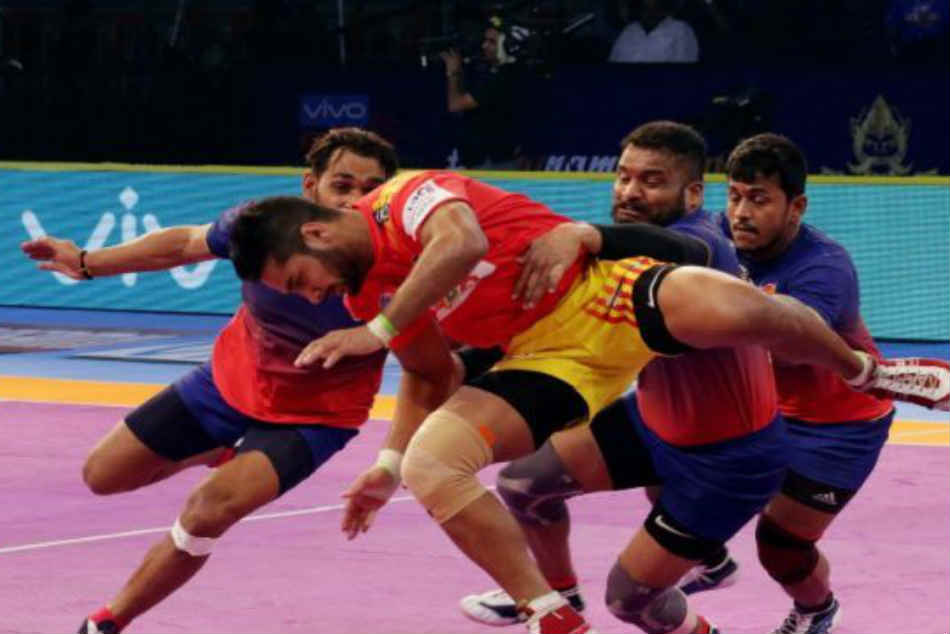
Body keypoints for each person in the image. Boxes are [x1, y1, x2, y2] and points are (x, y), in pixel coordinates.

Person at [228, 167, 947, 633]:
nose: (311, 298)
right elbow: (427, 376)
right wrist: (387, 467)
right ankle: (550, 612)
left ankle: (865, 372)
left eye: (298, 280)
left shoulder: (404, 198)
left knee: (737, 307)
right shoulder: (367, 296)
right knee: (434, 465)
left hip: (606, 297)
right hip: (549, 361)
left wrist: (377, 333)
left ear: (316, 232)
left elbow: (461, 240)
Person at [19, 127, 409, 634]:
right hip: (227, 384)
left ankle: (108, 622)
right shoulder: (262, 227)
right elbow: (184, 244)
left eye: (371, 188)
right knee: (103, 475)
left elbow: (429, 371)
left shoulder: (402, 265)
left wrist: (391, 463)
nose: (355, 200)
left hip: (314, 419)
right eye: (342, 184)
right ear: (310, 185)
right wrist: (87, 263)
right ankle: (217, 450)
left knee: (208, 510)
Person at [457, 120, 762, 630]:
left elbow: (678, 251)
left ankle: (708, 563)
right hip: (657, 421)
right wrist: (454, 364)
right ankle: (560, 597)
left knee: (631, 601)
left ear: (692, 193)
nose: (629, 191)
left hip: (722, 453)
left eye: (651, 181)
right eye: (623, 176)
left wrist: (585, 234)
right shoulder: (623, 251)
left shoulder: (705, 243)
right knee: (524, 485)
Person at [717, 132, 945, 633]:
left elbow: (791, 347)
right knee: (658, 451)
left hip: (840, 427)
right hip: (765, 409)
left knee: (781, 545)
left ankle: (818, 611)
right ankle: (707, 559)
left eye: (759, 200)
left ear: (796, 207)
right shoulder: (716, 239)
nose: (740, 213)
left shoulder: (824, 267)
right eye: (734, 196)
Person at [439, 14, 528, 168]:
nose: (484, 46)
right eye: (485, 41)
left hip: (494, 162)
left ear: (507, 46)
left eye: (492, 42)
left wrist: (452, 73)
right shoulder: (506, 72)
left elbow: (455, 105)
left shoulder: (501, 78)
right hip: (497, 158)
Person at [608, 0, 699, 63]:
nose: (649, 12)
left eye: (654, 6)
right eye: (645, 7)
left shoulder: (681, 30)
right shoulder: (629, 31)